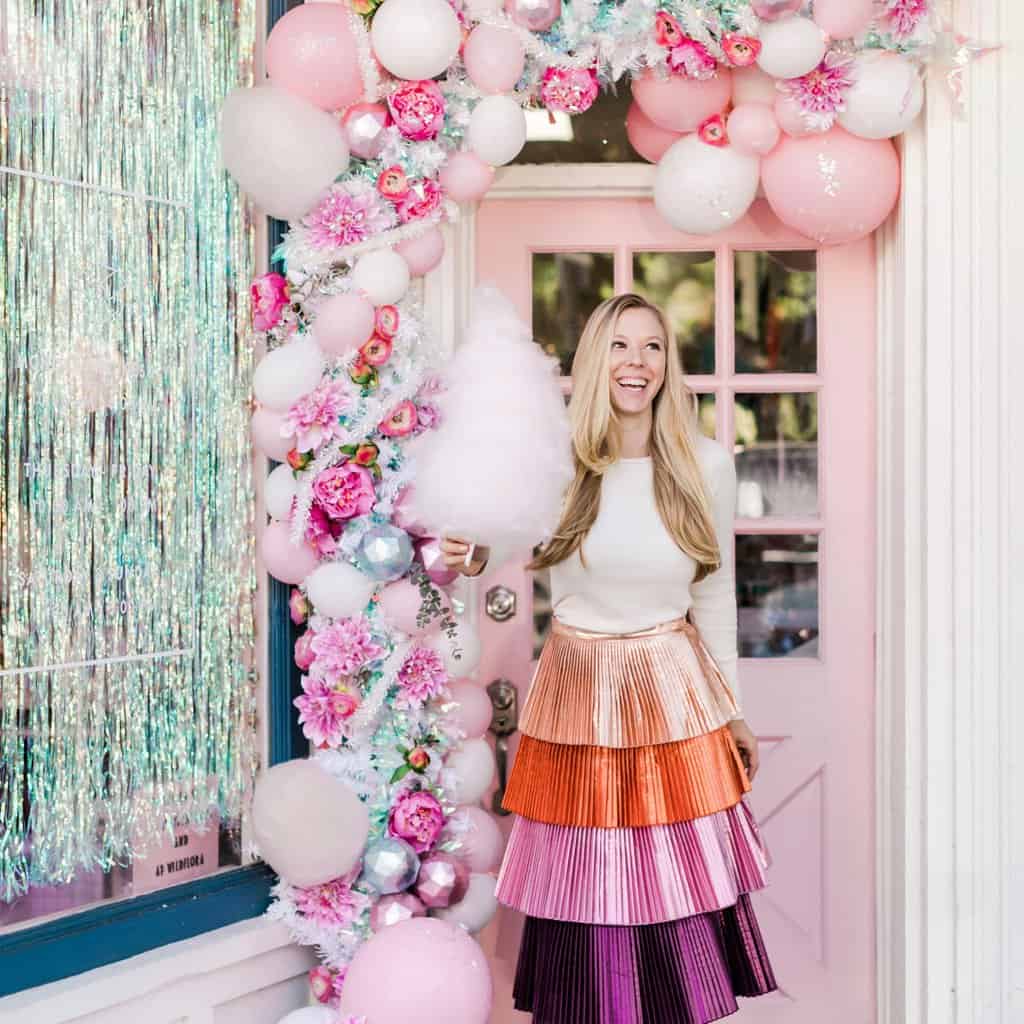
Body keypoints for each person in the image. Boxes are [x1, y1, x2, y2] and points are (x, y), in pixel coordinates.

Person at [442, 293, 776, 1023]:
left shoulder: (705, 465)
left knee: (671, 887)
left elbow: (713, 598)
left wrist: (733, 713)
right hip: (578, 694)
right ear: (597, 360)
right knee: (588, 888)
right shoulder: (561, 462)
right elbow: (503, 533)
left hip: (673, 693)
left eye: (652, 347)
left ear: (668, 363)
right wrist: (472, 552)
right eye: (621, 346)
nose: (637, 363)